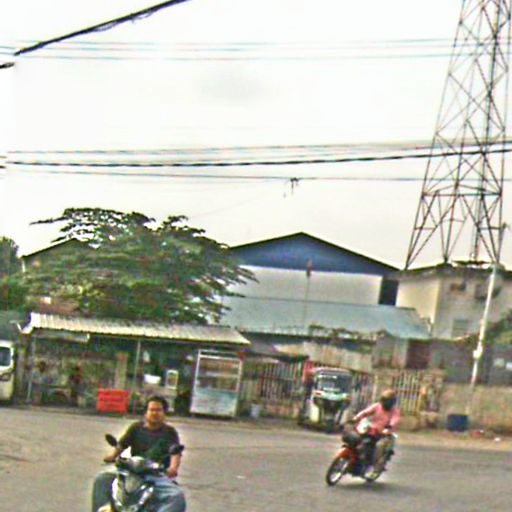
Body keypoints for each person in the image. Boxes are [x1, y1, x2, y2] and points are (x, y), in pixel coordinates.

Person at [91, 395, 186, 512]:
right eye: (151, 410)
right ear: (146, 412)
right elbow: (122, 444)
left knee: (176, 496)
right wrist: (112, 456)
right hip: (132, 471)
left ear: (164, 413)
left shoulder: (169, 432)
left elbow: (175, 452)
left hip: (156, 475)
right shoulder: (136, 428)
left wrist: (173, 468)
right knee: (102, 479)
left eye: (158, 410)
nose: (155, 413)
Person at [351, 389, 400, 478]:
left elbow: (395, 420)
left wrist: (389, 426)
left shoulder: (394, 411)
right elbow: (366, 412)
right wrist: (357, 417)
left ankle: (375, 468)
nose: (385, 403)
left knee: (379, 446)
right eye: (384, 400)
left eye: (388, 401)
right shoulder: (377, 406)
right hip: (373, 431)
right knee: (358, 438)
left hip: (385, 434)